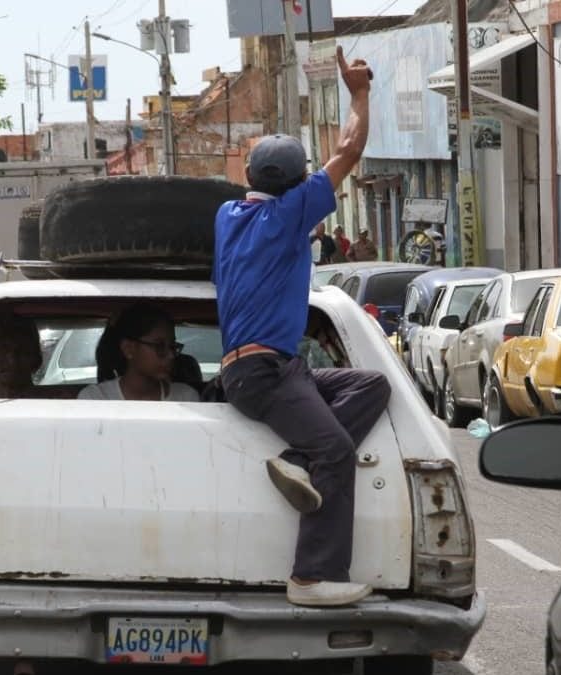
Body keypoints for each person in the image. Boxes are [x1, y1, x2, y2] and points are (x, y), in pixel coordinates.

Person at [212, 46, 391, 608]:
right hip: (265, 372)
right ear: (295, 187)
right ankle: (312, 576)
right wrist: (358, 92)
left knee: (369, 384)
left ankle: (296, 460)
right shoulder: (289, 211)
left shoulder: (227, 217)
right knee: (337, 450)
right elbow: (350, 148)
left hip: (265, 370)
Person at [78, 303, 199, 402]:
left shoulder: (186, 397)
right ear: (128, 349)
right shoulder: (95, 399)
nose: (171, 355)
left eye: (172, 346)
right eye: (159, 346)